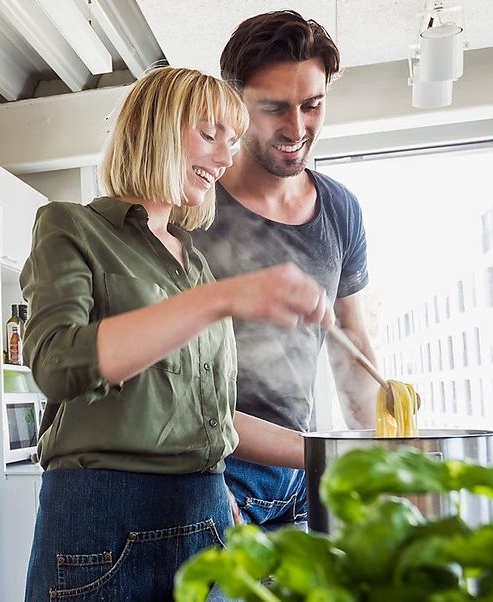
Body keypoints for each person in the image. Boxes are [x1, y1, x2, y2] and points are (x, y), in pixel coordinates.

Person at [20, 66, 333, 601]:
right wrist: (218, 301)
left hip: (206, 517)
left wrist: (337, 453)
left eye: (231, 142)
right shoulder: (71, 226)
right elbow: (57, 365)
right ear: (153, 130)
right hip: (105, 523)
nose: (225, 156)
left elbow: (213, 416)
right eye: (210, 134)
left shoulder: (196, 268)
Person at [189, 10, 379, 530]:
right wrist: (201, 474)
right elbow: (165, 379)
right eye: (274, 109)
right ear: (234, 104)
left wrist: (381, 452)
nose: (297, 128)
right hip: (216, 475)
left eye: (312, 105)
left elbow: (351, 344)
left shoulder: (341, 210)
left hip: (303, 472)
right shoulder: (192, 206)